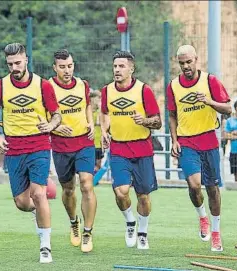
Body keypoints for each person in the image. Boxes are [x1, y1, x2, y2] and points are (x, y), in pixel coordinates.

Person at [0, 43, 61, 263]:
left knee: (39, 194)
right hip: (14, 149)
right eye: (10, 64)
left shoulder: (43, 85)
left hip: (39, 146)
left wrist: (50, 126)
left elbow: (56, 115)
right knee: (22, 202)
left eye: (18, 62)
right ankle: (36, 212)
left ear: (26, 60)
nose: (14, 67)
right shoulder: (0, 87)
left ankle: (45, 247)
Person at [167, 45, 232, 252]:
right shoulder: (173, 86)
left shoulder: (210, 81)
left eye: (189, 62)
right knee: (195, 185)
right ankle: (202, 217)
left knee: (212, 189)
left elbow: (228, 109)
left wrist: (210, 101)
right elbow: (172, 115)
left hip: (209, 141)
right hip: (186, 142)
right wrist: (174, 140)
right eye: (182, 63)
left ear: (196, 59)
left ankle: (215, 232)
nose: (186, 66)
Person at [100, 51, 162, 250]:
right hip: (118, 149)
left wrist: (144, 121)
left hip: (142, 150)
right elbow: (104, 113)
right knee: (121, 192)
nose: (117, 70)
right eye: (115, 66)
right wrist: (104, 131)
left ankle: (142, 232)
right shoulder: (107, 91)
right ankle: (129, 222)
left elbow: (158, 122)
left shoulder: (144, 90)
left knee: (143, 196)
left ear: (131, 69)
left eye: (122, 66)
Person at [48, 49, 97, 253]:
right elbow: (40, 118)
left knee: (86, 184)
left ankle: (87, 232)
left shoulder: (82, 84)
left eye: (69, 66)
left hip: (84, 143)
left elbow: (87, 105)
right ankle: (73, 222)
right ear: (55, 68)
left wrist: (91, 123)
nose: (67, 70)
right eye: (62, 67)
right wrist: (56, 127)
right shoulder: (47, 87)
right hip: (61, 146)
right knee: (68, 189)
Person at [224, 100, 237, 182]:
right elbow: (226, 135)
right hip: (234, 152)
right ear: (236, 108)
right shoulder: (230, 121)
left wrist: (235, 133)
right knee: (236, 176)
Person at [91, 90, 104, 173]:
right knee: (90, 165)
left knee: (98, 166)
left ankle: (93, 181)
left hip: (99, 143)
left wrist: (100, 109)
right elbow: (96, 123)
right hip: (90, 142)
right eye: (98, 98)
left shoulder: (99, 112)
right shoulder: (88, 112)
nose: (99, 100)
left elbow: (101, 123)